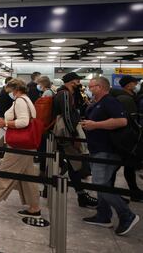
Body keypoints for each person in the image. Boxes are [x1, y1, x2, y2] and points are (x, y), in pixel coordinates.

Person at [82, 77, 140, 235]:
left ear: (99, 87)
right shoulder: (99, 103)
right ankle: (103, 215)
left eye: (91, 86)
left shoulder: (110, 101)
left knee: (100, 184)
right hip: (98, 149)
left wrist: (95, 125)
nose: (89, 89)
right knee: (103, 184)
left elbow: (122, 121)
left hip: (107, 150)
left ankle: (127, 215)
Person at [0, 79, 41, 218]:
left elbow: (24, 122)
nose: (9, 93)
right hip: (27, 145)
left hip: (19, 145)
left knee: (5, 171)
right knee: (27, 177)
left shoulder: (20, 101)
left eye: (10, 91)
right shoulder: (27, 100)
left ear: (16, 89)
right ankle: (34, 207)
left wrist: (5, 122)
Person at [54, 72, 98, 208]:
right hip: (67, 133)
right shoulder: (64, 94)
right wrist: (73, 135)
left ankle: (81, 194)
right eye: (78, 81)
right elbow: (67, 115)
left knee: (74, 162)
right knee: (75, 162)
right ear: (72, 81)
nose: (79, 83)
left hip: (69, 131)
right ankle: (81, 195)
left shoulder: (69, 94)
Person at [110, 75, 143, 202]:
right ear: (128, 85)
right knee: (117, 165)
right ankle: (111, 193)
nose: (136, 85)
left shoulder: (129, 97)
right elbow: (129, 120)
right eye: (135, 83)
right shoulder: (125, 99)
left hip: (126, 137)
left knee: (127, 165)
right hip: (126, 137)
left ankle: (133, 191)